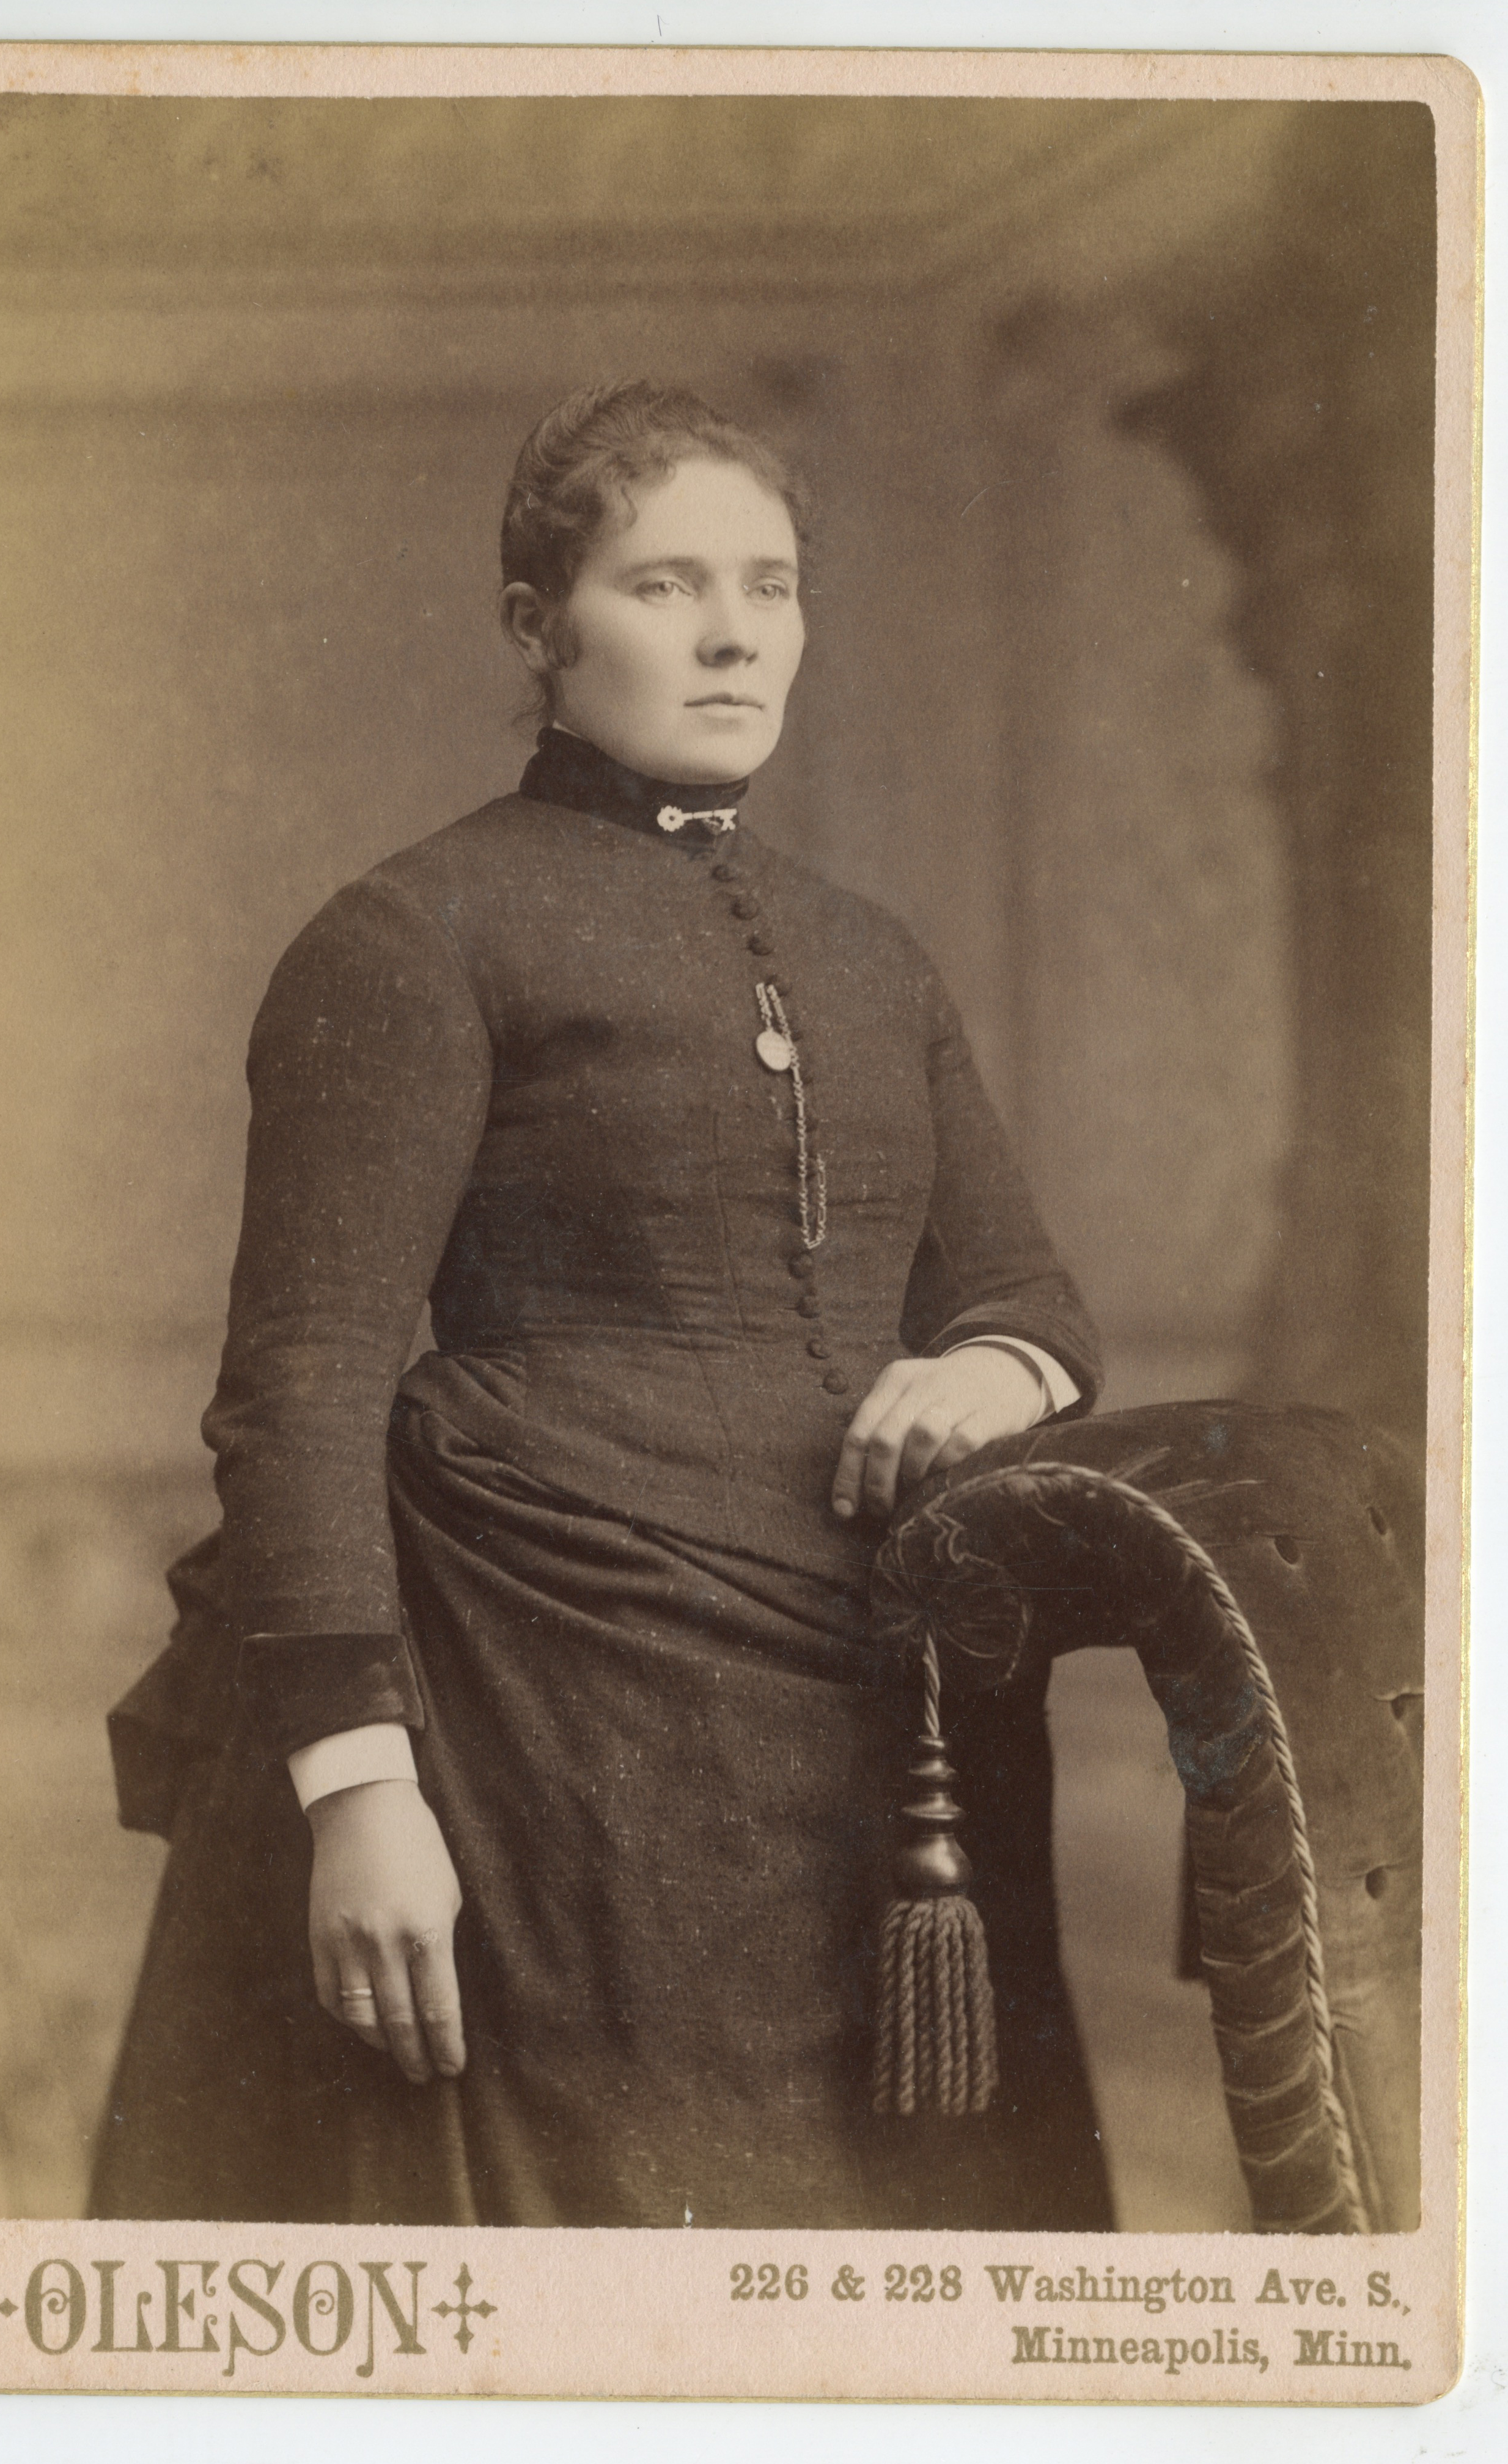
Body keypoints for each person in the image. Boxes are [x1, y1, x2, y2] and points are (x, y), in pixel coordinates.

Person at [94, 380, 1112, 2231]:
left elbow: (1029, 1297)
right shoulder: (415, 934)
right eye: (665, 584)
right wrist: (357, 1789)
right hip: (539, 1713)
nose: (735, 633)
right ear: (536, 627)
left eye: (769, 585)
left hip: (883, 1715)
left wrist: (992, 1370)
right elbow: (305, 1383)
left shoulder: (875, 958)